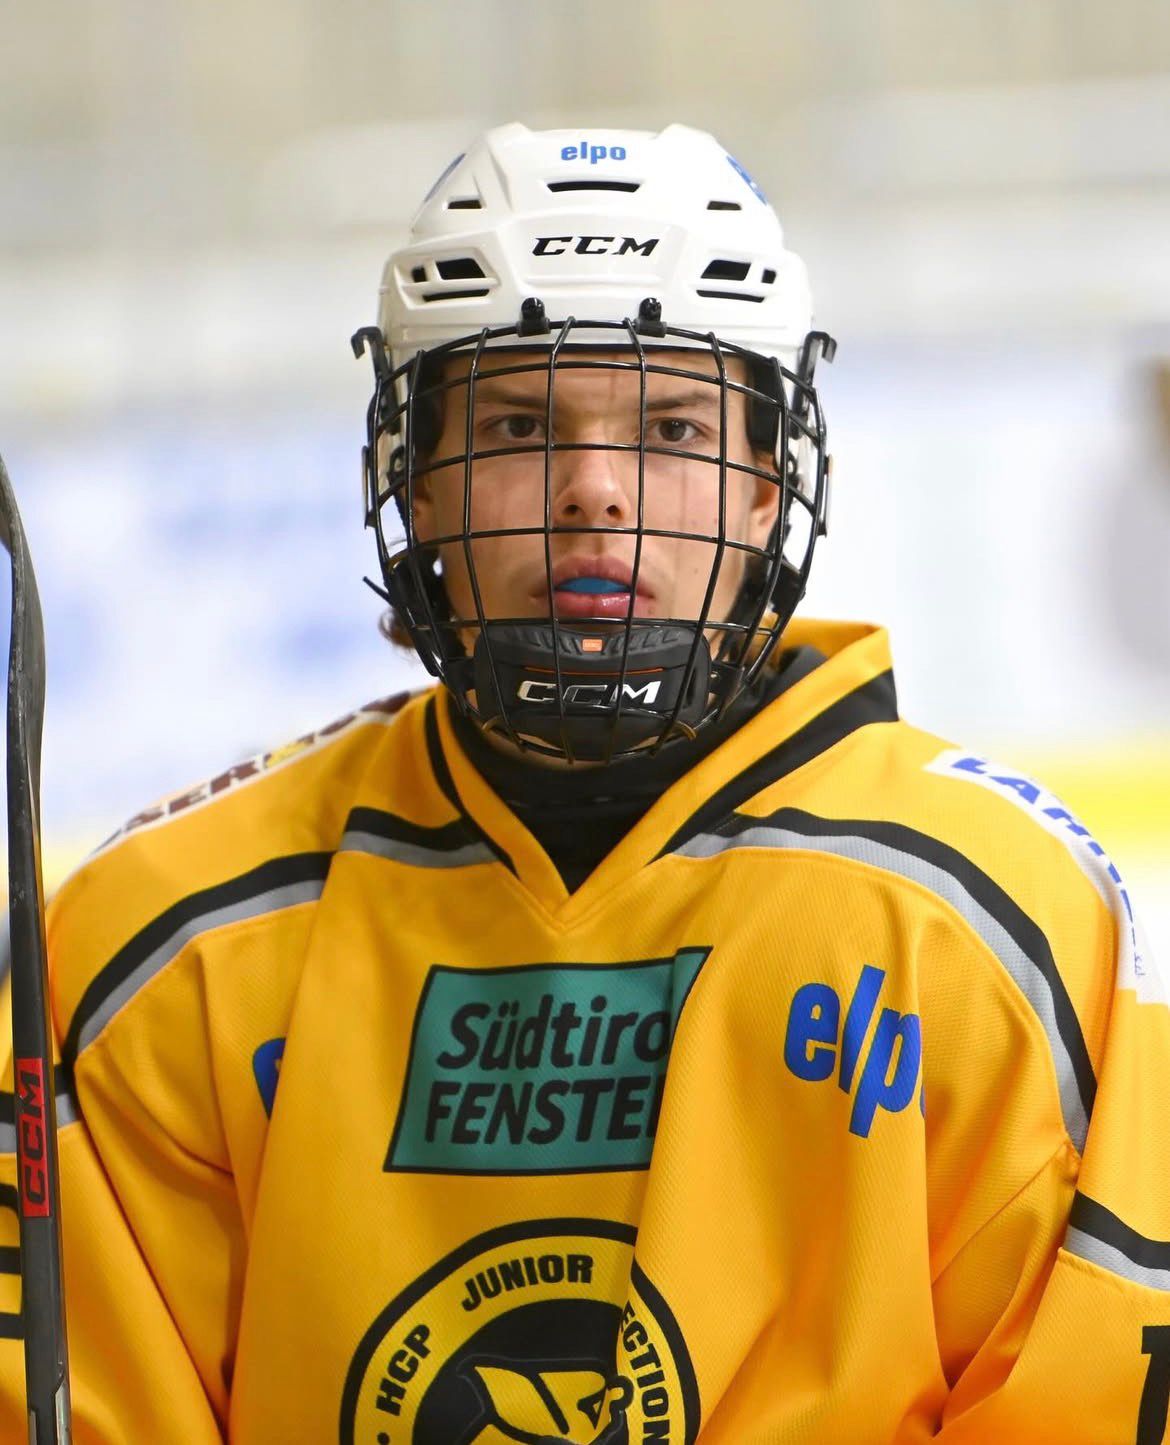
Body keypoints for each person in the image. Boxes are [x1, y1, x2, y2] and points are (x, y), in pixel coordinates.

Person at [1, 121, 1167, 1444]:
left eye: (672, 427)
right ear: (414, 484)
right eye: (517, 425)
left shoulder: (989, 936)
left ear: (767, 491)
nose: (597, 493)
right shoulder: (167, 955)